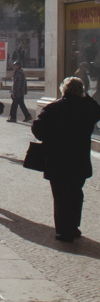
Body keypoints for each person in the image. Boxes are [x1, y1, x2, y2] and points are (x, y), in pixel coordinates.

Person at [31, 76, 100, 241]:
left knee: (61, 196)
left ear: (63, 90)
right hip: (79, 159)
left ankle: (64, 230)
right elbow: (97, 109)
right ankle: (73, 226)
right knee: (76, 194)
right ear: (81, 91)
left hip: (57, 159)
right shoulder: (87, 108)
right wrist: (84, 95)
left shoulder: (53, 108)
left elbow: (38, 129)